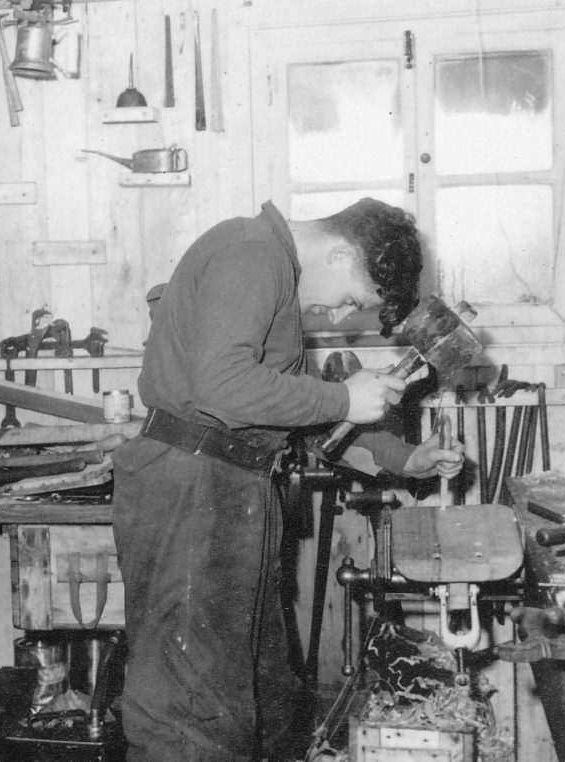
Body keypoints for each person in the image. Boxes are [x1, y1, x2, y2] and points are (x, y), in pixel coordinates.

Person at [111, 198, 466, 762]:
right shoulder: (251, 253)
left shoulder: (271, 277)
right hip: (193, 488)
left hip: (232, 489)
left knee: (263, 697)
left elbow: (300, 409)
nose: (339, 312)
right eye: (352, 297)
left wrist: (404, 458)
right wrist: (347, 394)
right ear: (342, 249)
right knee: (190, 714)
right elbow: (222, 387)